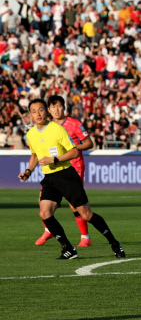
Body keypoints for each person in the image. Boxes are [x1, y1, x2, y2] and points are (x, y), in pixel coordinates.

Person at [18, 99, 125, 260]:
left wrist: (54, 159)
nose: (38, 114)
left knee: (86, 215)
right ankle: (68, 248)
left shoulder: (57, 130)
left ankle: (114, 243)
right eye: (34, 111)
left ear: (46, 111)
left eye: (41, 110)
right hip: (50, 178)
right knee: (44, 212)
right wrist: (28, 171)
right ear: (30, 115)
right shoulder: (31, 134)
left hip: (67, 175)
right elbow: (34, 155)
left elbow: (74, 152)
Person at [34, 95, 94, 247]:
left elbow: (89, 143)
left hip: (74, 166)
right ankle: (49, 230)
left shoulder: (74, 124)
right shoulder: (46, 126)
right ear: (48, 110)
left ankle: (85, 237)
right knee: (43, 200)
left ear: (64, 107)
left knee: (75, 204)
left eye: (59, 106)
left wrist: (72, 149)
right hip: (54, 169)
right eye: (53, 107)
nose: (56, 109)